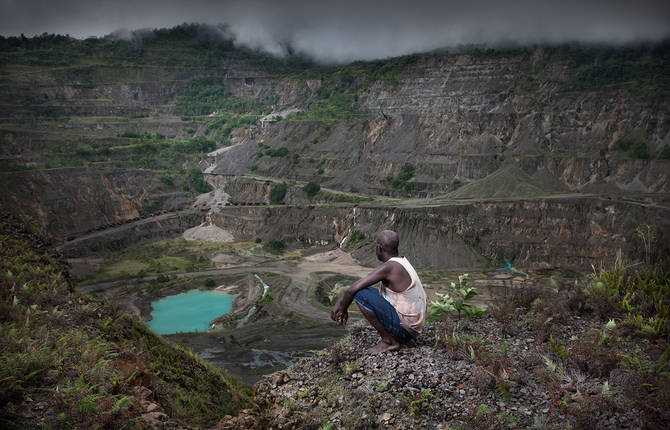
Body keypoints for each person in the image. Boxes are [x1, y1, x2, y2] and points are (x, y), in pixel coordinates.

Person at [331, 230, 427, 354]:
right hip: (411, 329)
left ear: (379, 248)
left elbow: (354, 289)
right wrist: (342, 299)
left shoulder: (390, 267)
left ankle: (389, 342)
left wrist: (342, 309)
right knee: (363, 291)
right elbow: (358, 287)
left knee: (360, 294)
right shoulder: (401, 262)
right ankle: (396, 337)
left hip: (405, 330)